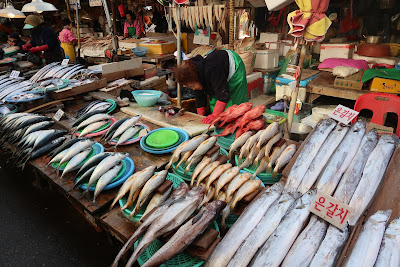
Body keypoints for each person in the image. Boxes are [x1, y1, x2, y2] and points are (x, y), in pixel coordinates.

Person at [175, 49, 249, 124]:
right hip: (216, 72)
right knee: (215, 105)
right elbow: (199, 95)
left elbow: (223, 95)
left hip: (233, 65)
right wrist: (200, 115)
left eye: (192, 86)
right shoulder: (194, 74)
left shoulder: (212, 70)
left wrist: (215, 115)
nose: (193, 88)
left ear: (196, 79)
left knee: (235, 109)